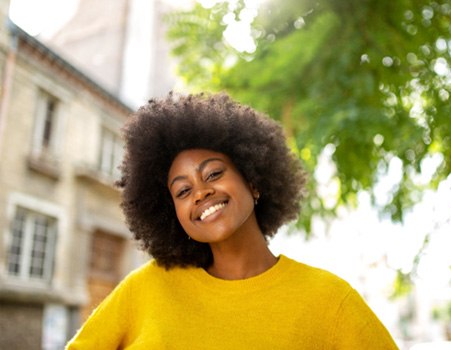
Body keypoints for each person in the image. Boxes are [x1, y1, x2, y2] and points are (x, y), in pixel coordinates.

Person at [66, 92, 398, 349]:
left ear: (253, 181)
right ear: (172, 216)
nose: (200, 192)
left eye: (213, 173)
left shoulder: (330, 300)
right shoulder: (146, 289)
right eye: (182, 191)